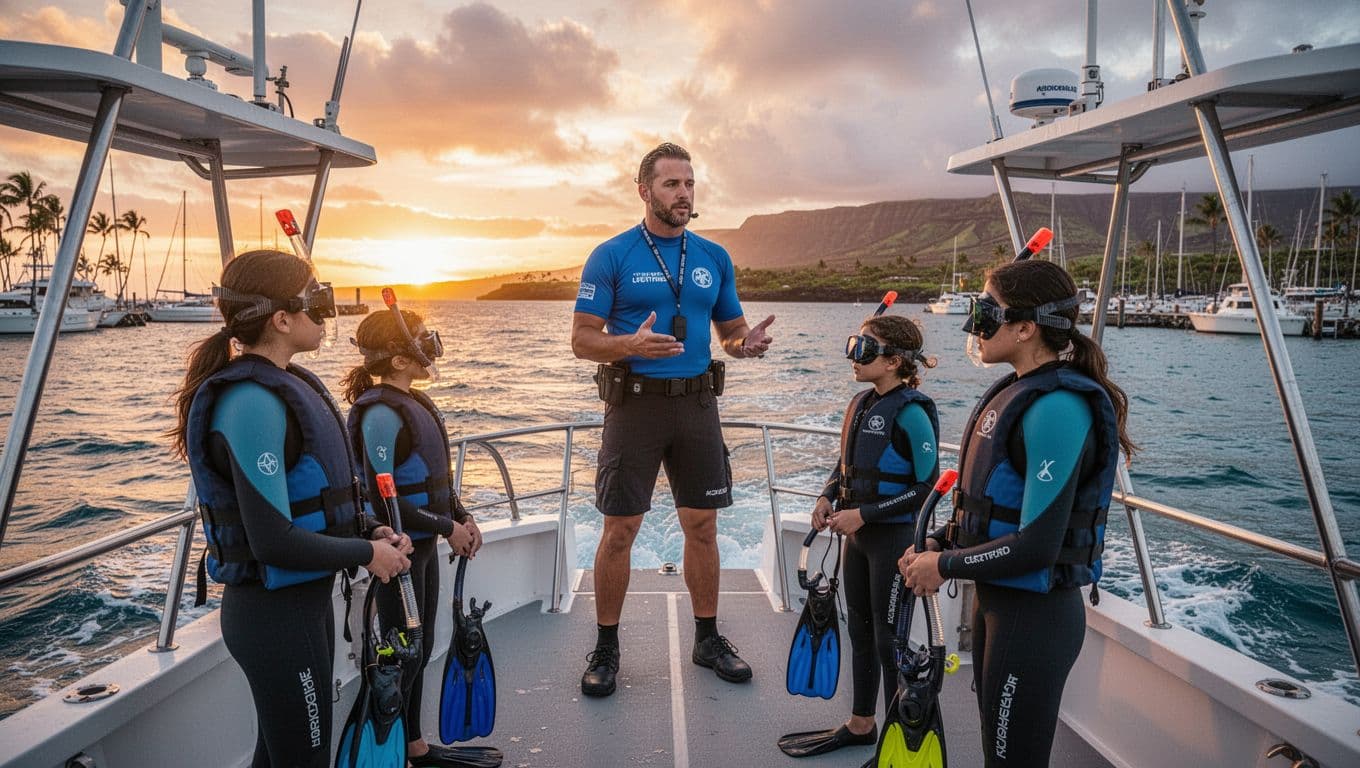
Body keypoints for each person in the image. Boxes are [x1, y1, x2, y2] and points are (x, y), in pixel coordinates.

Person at [171, 249, 412, 768]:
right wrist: (367, 555)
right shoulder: (251, 401)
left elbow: (320, 500)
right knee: (303, 759)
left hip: (302, 609)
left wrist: (371, 530)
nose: (326, 312)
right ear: (281, 319)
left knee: (279, 756)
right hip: (273, 617)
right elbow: (271, 541)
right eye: (315, 300)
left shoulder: (286, 385)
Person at [901, 259, 1136, 768]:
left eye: (987, 313)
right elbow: (991, 508)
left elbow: (1037, 546)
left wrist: (943, 567)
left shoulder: (1057, 407)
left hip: (1034, 618)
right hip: (999, 607)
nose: (975, 326)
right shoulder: (1019, 391)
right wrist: (941, 541)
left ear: (1026, 327)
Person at [570, 142, 775, 697]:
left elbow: (729, 332)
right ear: (645, 191)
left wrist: (744, 344)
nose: (684, 194)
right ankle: (606, 648)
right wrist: (628, 344)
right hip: (634, 406)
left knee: (703, 526)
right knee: (620, 530)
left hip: (697, 406)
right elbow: (582, 339)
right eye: (671, 184)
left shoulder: (713, 257)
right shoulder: (611, 256)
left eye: (689, 184)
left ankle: (707, 640)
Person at [781, 313, 940, 758]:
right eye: (854, 345)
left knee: (890, 641)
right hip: (858, 541)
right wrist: (826, 496)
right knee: (860, 631)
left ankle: (895, 738)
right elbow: (847, 465)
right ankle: (862, 723)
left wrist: (864, 515)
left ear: (893, 361)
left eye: (864, 349)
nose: (853, 356)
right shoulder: (861, 403)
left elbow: (927, 487)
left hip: (893, 541)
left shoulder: (912, 413)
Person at [343, 306, 483, 767]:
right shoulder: (381, 415)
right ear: (400, 359)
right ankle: (390, 752)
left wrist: (462, 517)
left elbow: (437, 482)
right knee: (403, 653)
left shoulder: (414, 402)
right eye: (423, 339)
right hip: (399, 555)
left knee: (420, 649)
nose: (432, 348)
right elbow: (383, 500)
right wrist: (448, 528)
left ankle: (414, 746)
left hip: (425, 546)